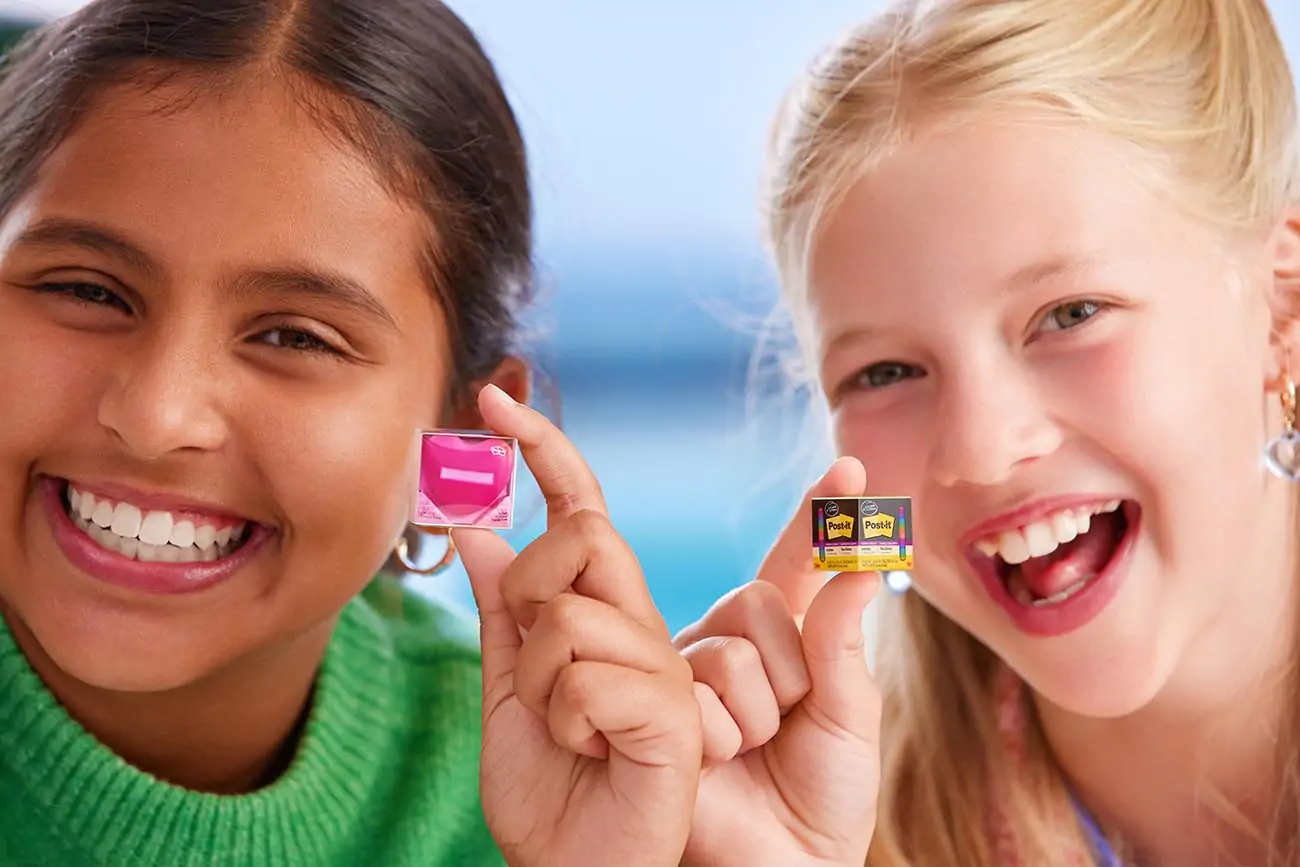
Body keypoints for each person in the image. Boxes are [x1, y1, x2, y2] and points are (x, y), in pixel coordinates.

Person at [0, 1, 704, 865]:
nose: (155, 418)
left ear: (463, 437)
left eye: (295, 337)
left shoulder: (557, 790)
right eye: (87, 290)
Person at [671, 0, 1300, 865]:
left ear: (1281, 307)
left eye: (1070, 314)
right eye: (884, 374)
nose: (978, 448)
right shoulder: (831, 822)